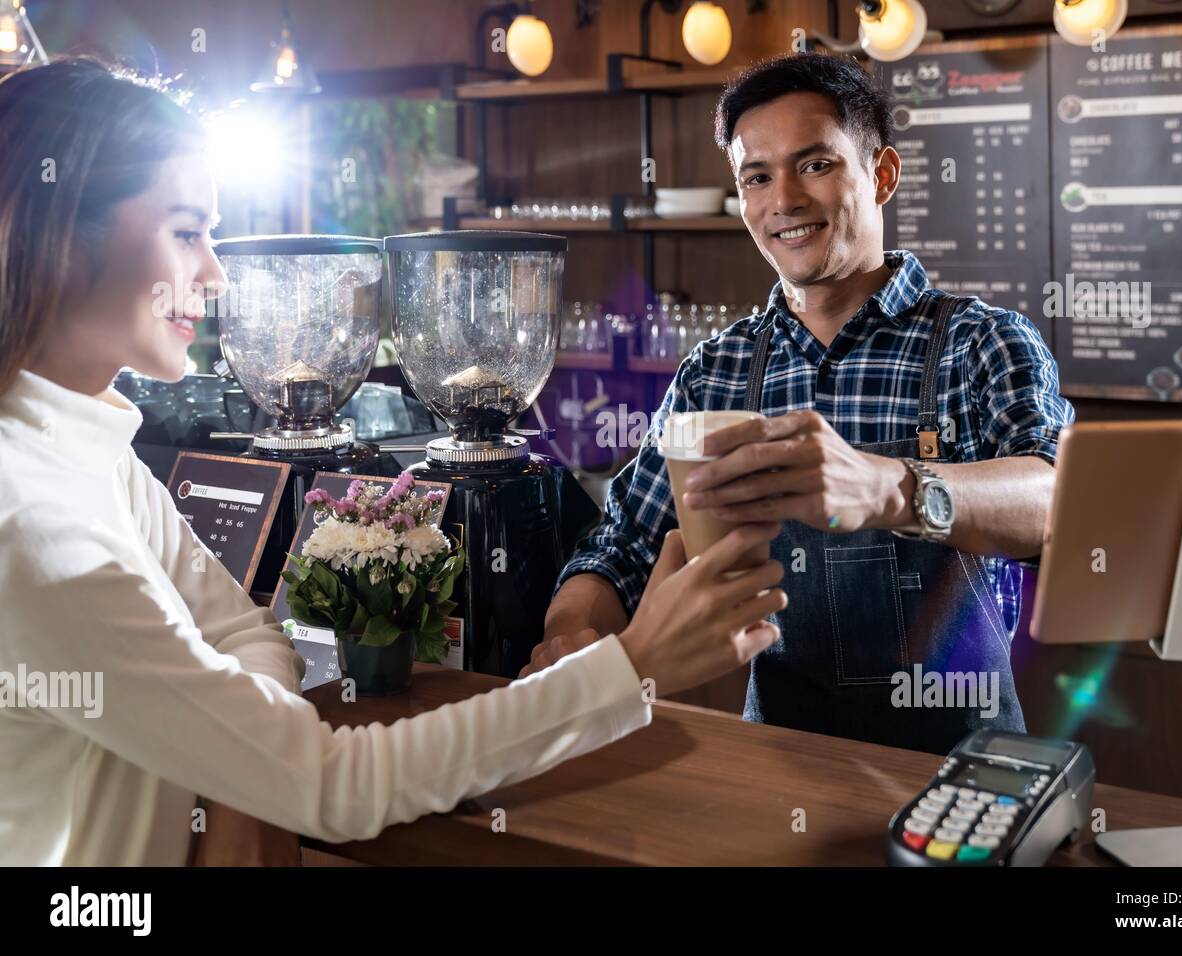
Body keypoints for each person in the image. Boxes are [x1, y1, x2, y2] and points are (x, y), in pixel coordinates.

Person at [0, 58, 787, 866]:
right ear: (61, 236)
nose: (216, 273)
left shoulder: (89, 450)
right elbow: (335, 786)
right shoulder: (32, 527)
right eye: (187, 231)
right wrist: (635, 666)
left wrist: (242, 768)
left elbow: (246, 629)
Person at [531, 52, 1075, 754]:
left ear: (881, 175)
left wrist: (892, 486)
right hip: (779, 764)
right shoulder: (718, 371)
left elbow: (1057, 499)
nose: (782, 199)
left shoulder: (980, 342)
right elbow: (626, 543)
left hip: (963, 765)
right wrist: (571, 632)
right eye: (756, 177)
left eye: (814, 165)